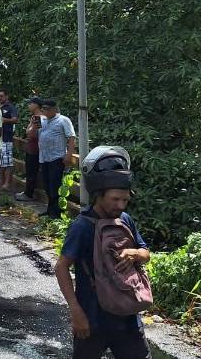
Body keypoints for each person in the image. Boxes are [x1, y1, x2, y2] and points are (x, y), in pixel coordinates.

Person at [55, 146, 152, 359]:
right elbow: (61, 266)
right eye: (115, 199)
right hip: (92, 320)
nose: (120, 205)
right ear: (98, 195)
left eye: (125, 200)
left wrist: (135, 253)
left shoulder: (125, 220)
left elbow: (146, 252)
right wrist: (76, 312)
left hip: (128, 318)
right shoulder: (82, 226)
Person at [38, 99, 76, 218]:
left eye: (47, 109)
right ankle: (50, 209)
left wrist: (69, 154)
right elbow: (33, 134)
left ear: (54, 109)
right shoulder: (43, 121)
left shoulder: (63, 120)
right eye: (43, 109)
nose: (44, 111)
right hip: (44, 157)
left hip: (57, 157)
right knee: (47, 184)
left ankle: (56, 212)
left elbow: (71, 137)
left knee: (55, 186)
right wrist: (33, 125)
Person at [16, 96, 45, 201]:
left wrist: (29, 129)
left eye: (30, 104)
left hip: (36, 148)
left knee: (32, 171)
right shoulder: (34, 117)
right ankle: (28, 192)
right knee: (30, 171)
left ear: (36, 105)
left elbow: (32, 133)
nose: (28, 106)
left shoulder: (39, 118)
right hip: (32, 147)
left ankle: (29, 194)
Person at [0, 89, 18, 193]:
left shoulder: (10, 107)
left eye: (1, 96)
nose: (0, 98)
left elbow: (15, 119)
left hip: (7, 138)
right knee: (1, 162)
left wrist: (5, 120)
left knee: (8, 162)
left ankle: (7, 183)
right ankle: (1, 182)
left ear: (6, 96)